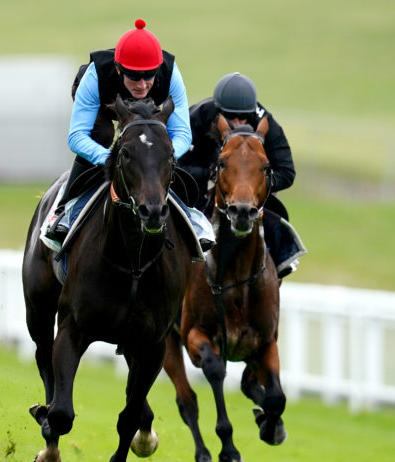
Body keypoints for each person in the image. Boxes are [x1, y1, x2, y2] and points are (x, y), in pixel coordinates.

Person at [45, 19, 214, 251]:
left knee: (158, 146)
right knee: (102, 134)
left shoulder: (170, 73)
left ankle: (191, 218)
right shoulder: (96, 75)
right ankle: (64, 211)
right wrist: (109, 158)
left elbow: (183, 133)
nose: (142, 85)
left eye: (149, 76)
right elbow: (76, 136)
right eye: (134, 77)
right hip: (104, 108)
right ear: (118, 69)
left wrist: (162, 154)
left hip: (148, 116)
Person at [178, 72, 305, 278]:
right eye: (230, 117)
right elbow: (174, 164)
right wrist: (208, 174)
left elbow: (287, 171)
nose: (237, 123)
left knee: (275, 220)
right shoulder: (198, 116)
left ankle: (281, 259)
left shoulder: (265, 122)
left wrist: (256, 183)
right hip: (199, 185)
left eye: (242, 118)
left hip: (249, 193)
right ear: (218, 111)